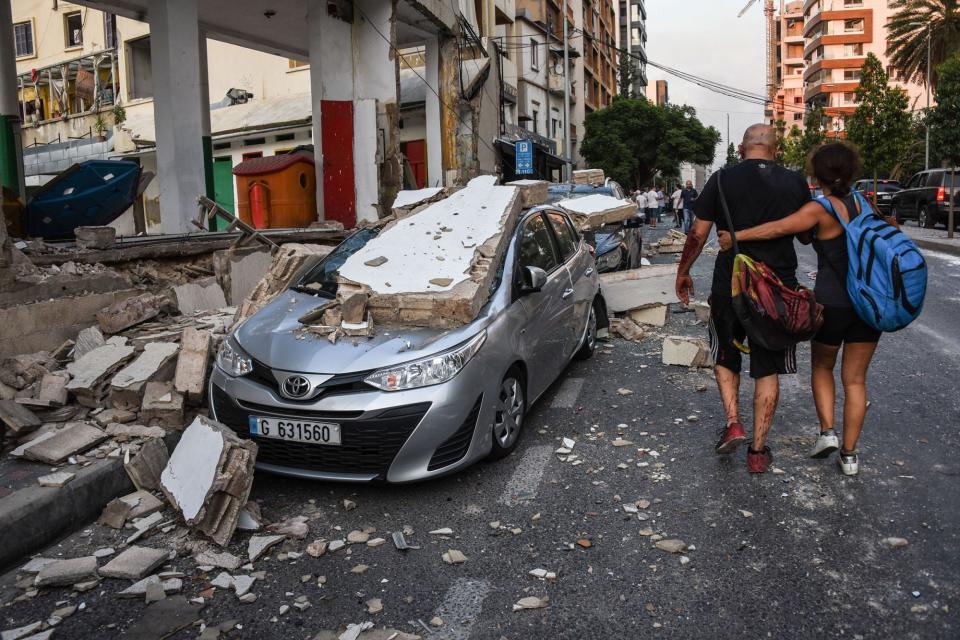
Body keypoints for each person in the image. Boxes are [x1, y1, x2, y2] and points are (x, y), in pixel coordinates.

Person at [716, 143, 887, 476]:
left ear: (816, 174)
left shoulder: (821, 209)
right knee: (855, 380)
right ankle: (850, 457)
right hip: (870, 304)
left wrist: (736, 236)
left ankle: (827, 432)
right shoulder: (867, 204)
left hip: (833, 303)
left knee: (823, 367)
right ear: (852, 172)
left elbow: (780, 228)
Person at [674, 124, 811, 474]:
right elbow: (808, 234)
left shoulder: (721, 180)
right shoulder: (795, 182)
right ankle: (758, 451)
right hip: (777, 286)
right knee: (767, 366)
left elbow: (698, 232)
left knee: (725, 352)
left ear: (740, 149)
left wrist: (683, 271)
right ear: (776, 150)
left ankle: (733, 422)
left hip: (729, 282)